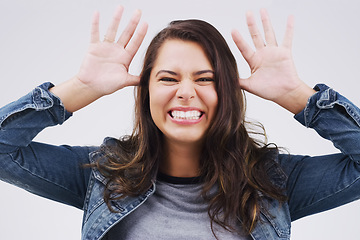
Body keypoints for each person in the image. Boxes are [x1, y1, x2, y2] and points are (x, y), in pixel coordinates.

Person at [1, 5, 359, 240]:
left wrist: (296, 95)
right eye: (168, 79)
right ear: (145, 92)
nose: (186, 92)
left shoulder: (274, 181)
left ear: (228, 94)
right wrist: (80, 88)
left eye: (205, 79)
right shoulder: (102, 174)